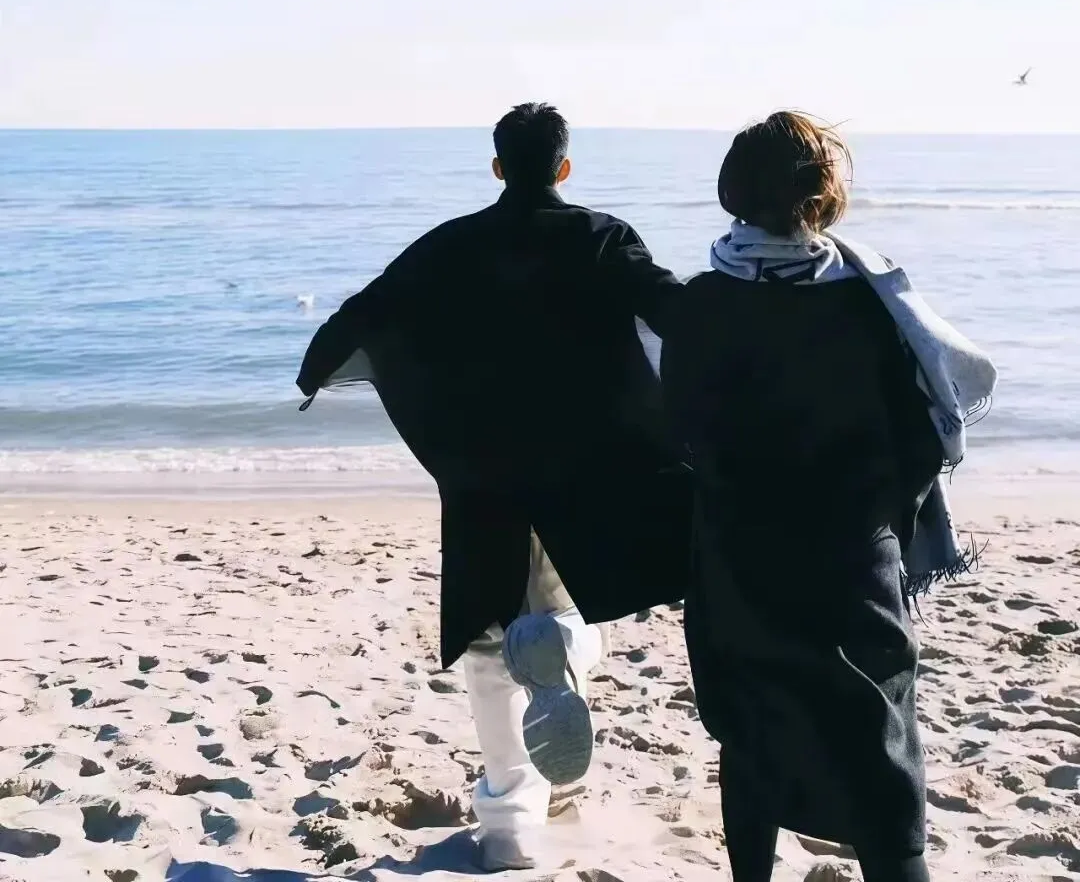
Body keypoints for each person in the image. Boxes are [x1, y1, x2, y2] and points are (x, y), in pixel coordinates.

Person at [296, 103, 692, 870]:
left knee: (488, 637)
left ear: (498, 167)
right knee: (566, 612)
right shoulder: (602, 236)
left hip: (483, 475)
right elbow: (673, 310)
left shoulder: (447, 245)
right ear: (564, 167)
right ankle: (562, 652)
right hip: (585, 472)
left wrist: (316, 371)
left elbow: (366, 312)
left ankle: (511, 821)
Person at [661, 112, 994, 882]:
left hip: (738, 557)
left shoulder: (702, 304)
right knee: (879, 732)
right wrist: (886, 516)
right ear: (823, 195)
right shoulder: (871, 306)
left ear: (733, 191)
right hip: (854, 557)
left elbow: (678, 431)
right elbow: (919, 435)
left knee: (750, 729)